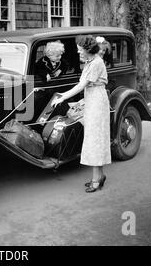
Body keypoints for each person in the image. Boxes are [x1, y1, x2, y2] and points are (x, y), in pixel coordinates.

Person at [51, 35, 111, 193]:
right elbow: (82, 84)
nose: (78, 53)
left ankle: (96, 179)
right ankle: (99, 176)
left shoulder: (96, 63)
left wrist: (63, 96)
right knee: (93, 138)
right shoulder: (91, 62)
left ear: (87, 49)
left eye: (80, 50)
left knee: (95, 139)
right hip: (92, 99)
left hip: (97, 100)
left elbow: (81, 85)